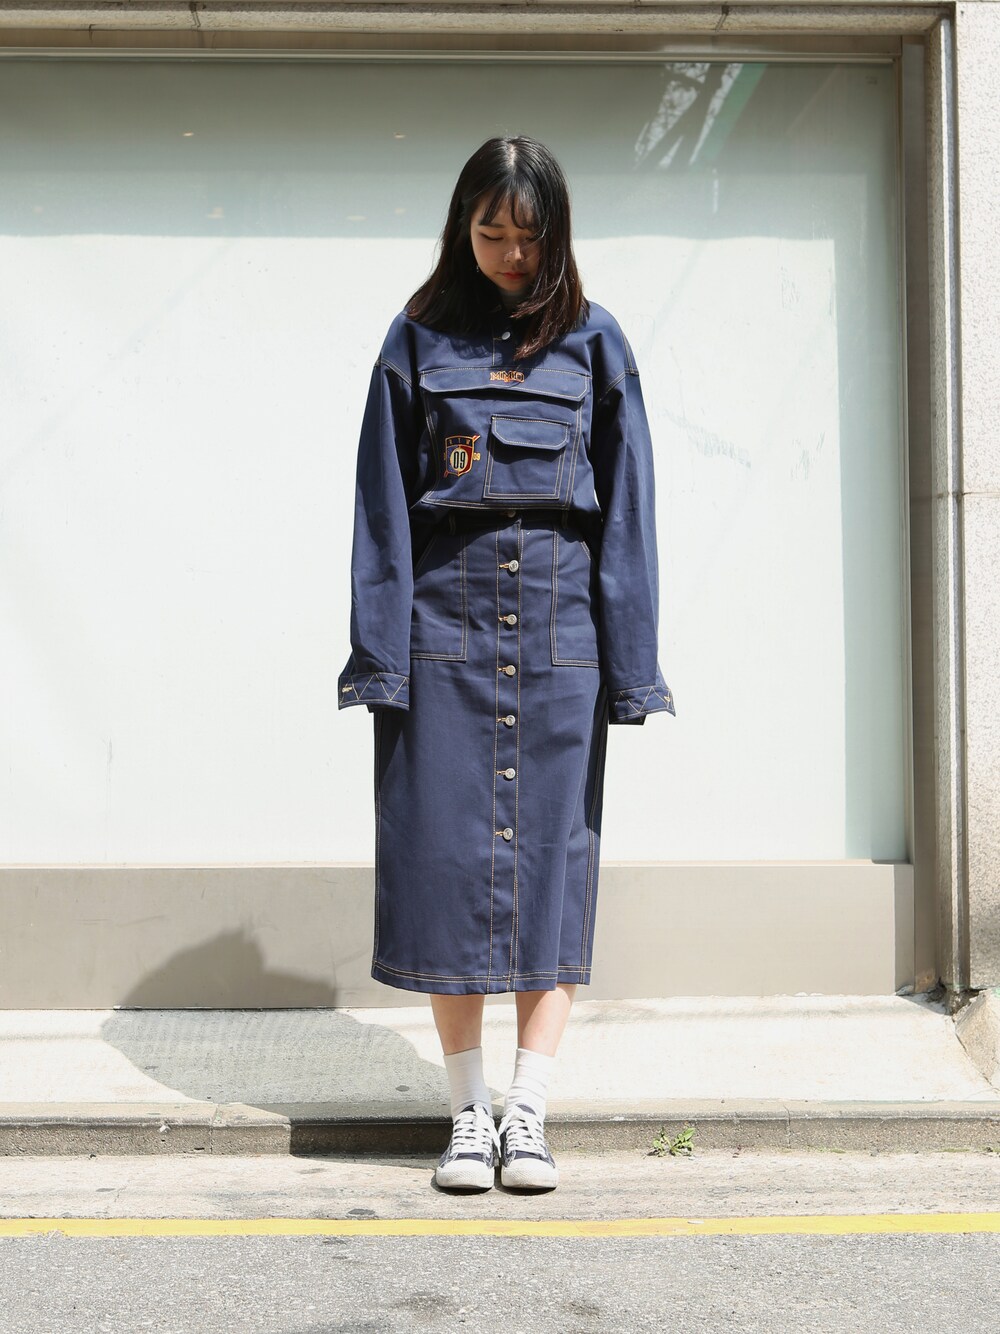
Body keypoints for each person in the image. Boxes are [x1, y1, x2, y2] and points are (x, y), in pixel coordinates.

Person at [338, 135, 675, 1193]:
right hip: (444, 626)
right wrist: (380, 658)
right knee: (445, 870)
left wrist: (630, 662)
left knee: (550, 871)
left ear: (556, 234)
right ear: (462, 228)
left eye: (529, 237)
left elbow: (627, 513)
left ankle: (529, 1110)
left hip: (559, 630)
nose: (512, 256)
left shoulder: (595, 342)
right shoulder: (415, 338)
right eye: (491, 234)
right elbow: (381, 511)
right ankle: (466, 1114)